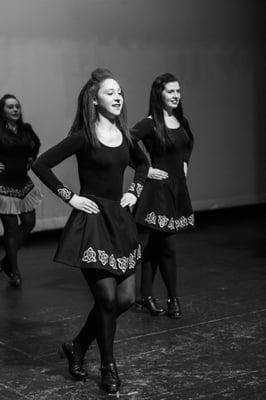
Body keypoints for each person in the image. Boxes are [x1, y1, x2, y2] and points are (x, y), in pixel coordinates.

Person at [32, 68, 148, 394]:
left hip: (120, 223)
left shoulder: (127, 137)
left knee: (125, 299)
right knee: (107, 299)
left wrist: (135, 191)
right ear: (94, 99)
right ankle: (109, 366)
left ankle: (78, 345)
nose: (117, 97)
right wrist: (72, 198)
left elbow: (142, 164)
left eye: (120, 92)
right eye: (110, 92)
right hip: (92, 223)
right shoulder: (85, 136)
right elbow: (41, 164)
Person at [131, 73, 194, 318]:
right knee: (167, 246)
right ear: (159, 94)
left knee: (157, 245)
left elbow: (189, 143)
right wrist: (145, 168)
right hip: (158, 192)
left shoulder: (181, 120)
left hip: (177, 190)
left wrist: (186, 162)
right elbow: (124, 142)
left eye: (178, 91)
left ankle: (145, 295)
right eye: (171, 91)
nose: (176, 95)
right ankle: (173, 298)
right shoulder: (150, 123)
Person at [0, 94, 42, 287]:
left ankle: (6, 262)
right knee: (10, 229)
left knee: (29, 222)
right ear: (2, 110)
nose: (15, 110)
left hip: (22, 182)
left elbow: (36, 144)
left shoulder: (26, 129)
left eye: (17, 106)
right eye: (10, 107)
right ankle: (14, 271)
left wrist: (31, 158)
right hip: (3, 184)